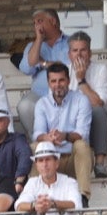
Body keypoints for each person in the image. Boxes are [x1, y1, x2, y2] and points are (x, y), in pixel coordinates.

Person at [31, 62, 94, 204]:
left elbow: (82, 133)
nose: (57, 85)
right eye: (53, 81)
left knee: (81, 145)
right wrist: (47, 138)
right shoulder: (42, 103)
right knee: (36, 146)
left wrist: (64, 135)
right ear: (48, 83)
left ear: (68, 81)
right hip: (51, 160)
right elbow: (38, 133)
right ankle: (35, 198)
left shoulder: (81, 100)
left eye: (61, 80)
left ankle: (83, 197)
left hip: (73, 160)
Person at [16, 10, 72, 138]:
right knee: (24, 106)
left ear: (53, 21)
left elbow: (66, 68)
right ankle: (37, 141)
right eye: (34, 23)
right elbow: (27, 68)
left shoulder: (71, 42)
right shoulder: (33, 45)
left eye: (40, 21)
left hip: (65, 93)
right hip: (39, 95)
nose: (36, 26)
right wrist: (39, 40)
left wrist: (42, 62)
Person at [64, 34, 107, 179]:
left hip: (93, 122)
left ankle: (100, 164)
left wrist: (81, 80)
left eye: (83, 50)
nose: (79, 54)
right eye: (75, 50)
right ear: (69, 54)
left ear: (90, 53)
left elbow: (98, 102)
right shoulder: (63, 71)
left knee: (99, 112)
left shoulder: (100, 69)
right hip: (70, 121)